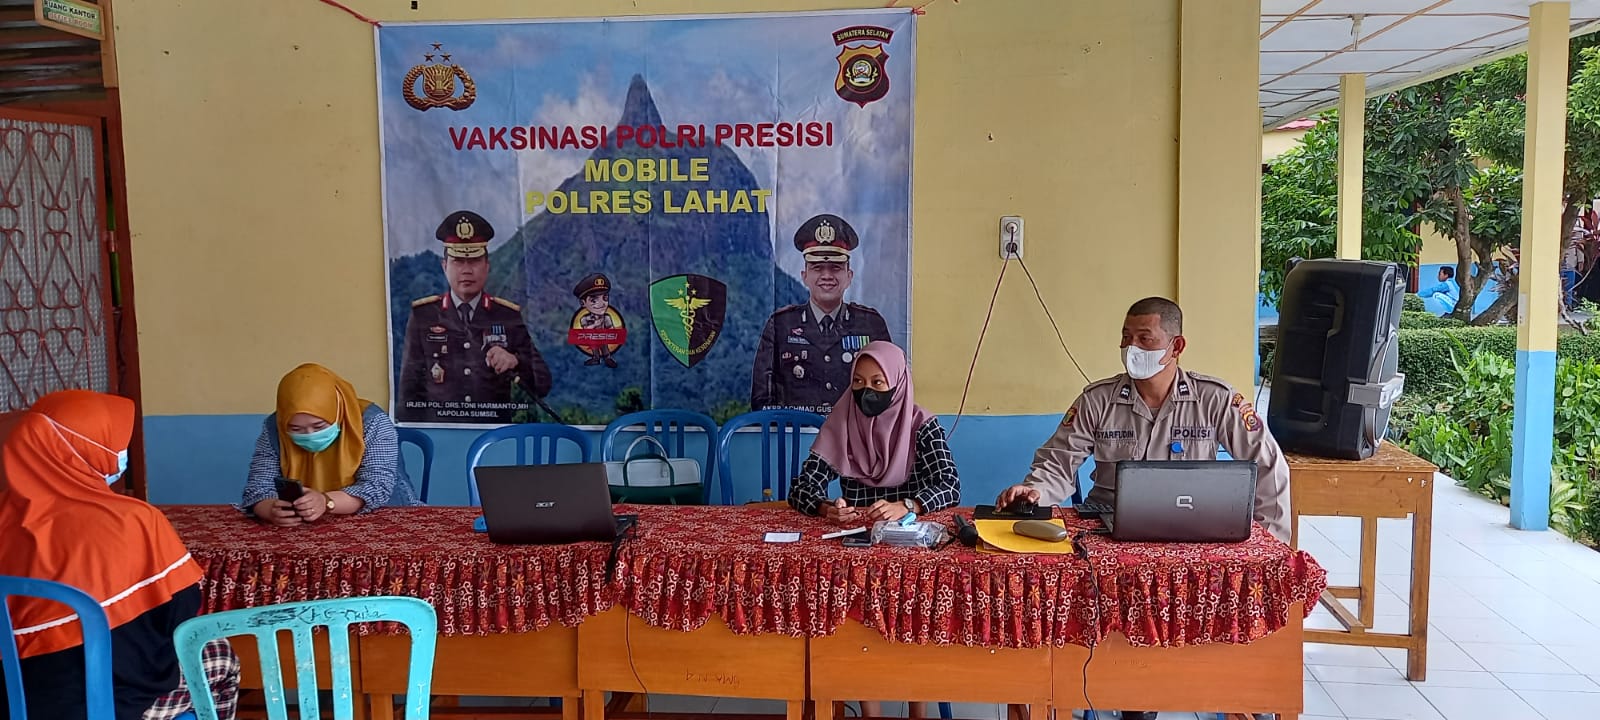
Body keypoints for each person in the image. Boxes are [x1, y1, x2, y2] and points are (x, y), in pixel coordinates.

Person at [997, 299, 1291, 720]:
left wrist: (1268, 543)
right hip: (1109, 530)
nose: (1131, 347)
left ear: (1176, 346)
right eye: (1125, 337)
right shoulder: (1098, 399)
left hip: (1191, 531)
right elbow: (1057, 463)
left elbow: (1269, 466)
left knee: (1227, 599)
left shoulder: (1214, 399)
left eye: (1144, 339)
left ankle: (1227, 687)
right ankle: (1116, 692)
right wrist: (1034, 492)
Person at [0, 390, 240, 720]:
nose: (120, 454)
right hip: (107, 705)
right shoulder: (134, 520)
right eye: (113, 444)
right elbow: (182, 611)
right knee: (220, 656)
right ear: (83, 450)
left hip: (15, 699)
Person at [398, 210, 553, 424]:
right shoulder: (424, 316)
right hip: (442, 433)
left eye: (474, 261)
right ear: (445, 266)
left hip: (494, 436)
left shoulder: (507, 315)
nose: (466, 270)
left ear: (487, 266)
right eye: (458, 261)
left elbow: (543, 382)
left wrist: (515, 360)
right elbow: (409, 392)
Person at [787, 341, 960, 524]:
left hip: (910, 530)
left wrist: (907, 506)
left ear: (898, 383)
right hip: (856, 530)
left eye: (877, 382)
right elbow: (801, 488)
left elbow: (950, 486)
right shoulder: (842, 423)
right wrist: (827, 508)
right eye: (858, 381)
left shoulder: (921, 426)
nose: (866, 390)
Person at [242, 364, 421, 525]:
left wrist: (325, 501)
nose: (310, 435)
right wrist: (271, 510)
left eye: (319, 426)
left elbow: (377, 486)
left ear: (337, 410)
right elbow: (258, 488)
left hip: (383, 518)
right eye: (296, 429)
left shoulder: (371, 421)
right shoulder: (275, 427)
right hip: (307, 524)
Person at [752, 213, 893, 413]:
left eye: (835, 268)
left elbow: (889, 391)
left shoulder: (871, 325)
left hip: (855, 432)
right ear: (805, 276)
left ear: (849, 276)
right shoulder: (781, 325)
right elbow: (762, 401)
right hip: (794, 431)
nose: (827, 276)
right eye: (817, 268)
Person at [572, 272, 622, 368]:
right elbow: (586, 331)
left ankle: (607, 358)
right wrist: (595, 325)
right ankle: (596, 358)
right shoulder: (585, 319)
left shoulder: (606, 317)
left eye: (605, 298)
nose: (601, 303)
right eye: (594, 300)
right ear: (583, 303)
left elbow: (612, 331)